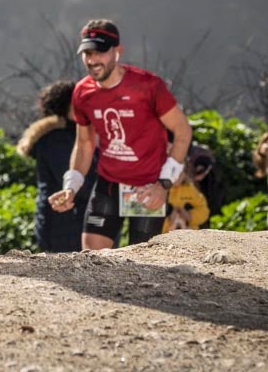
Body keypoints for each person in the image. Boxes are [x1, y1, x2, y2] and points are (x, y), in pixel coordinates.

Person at [48, 19, 193, 249]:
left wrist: (163, 184)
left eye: (100, 52)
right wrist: (71, 187)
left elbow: (183, 131)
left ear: (118, 51)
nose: (92, 60)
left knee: (142, 260)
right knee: (92, 258)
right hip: (108, 185)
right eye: (87, 53)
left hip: (148, 186)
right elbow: (84, 144)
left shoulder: (148, 86)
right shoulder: (83, 92)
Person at [16, 80, 95, 252]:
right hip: (63, 225)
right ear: (69, 106)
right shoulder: (57, 140)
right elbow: (80, 183)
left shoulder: (71, 135)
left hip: (70, 222)